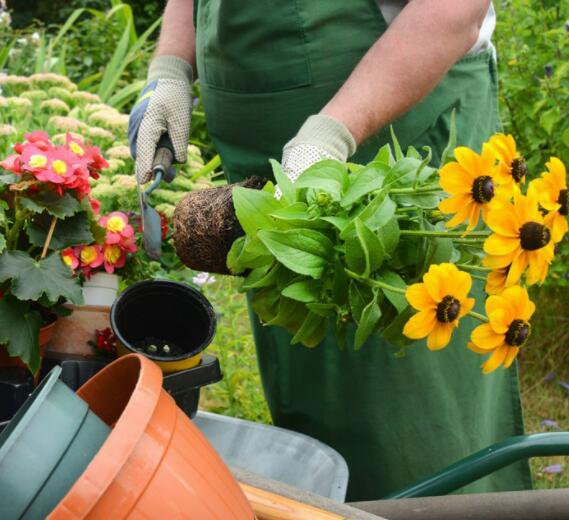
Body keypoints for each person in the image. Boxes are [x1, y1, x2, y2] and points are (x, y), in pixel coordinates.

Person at [127, 0, 532, 501]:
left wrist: (332, 132)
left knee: (414, 421)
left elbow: (452, 9)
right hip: (277, 163)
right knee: (316, 420)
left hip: (396, 146)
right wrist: (170, 69)